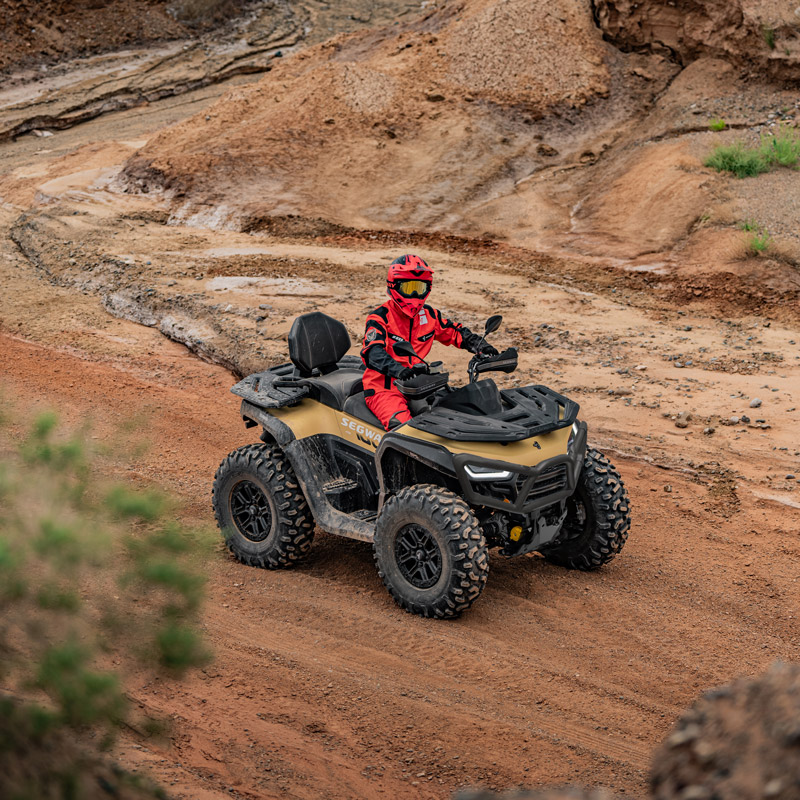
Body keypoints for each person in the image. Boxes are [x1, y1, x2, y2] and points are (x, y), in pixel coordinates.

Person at [360, 254, 498, 430]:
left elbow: (455, 332)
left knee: (452, 416)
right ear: (394, 285)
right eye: (409, 288)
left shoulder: (429, 315)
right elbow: (373, 353)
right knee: (406, 432)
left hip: (418, 385)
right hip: (384, 389)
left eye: (420, 287)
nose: (415, 294)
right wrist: (400, 371)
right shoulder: (380, 317)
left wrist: (480, 346)